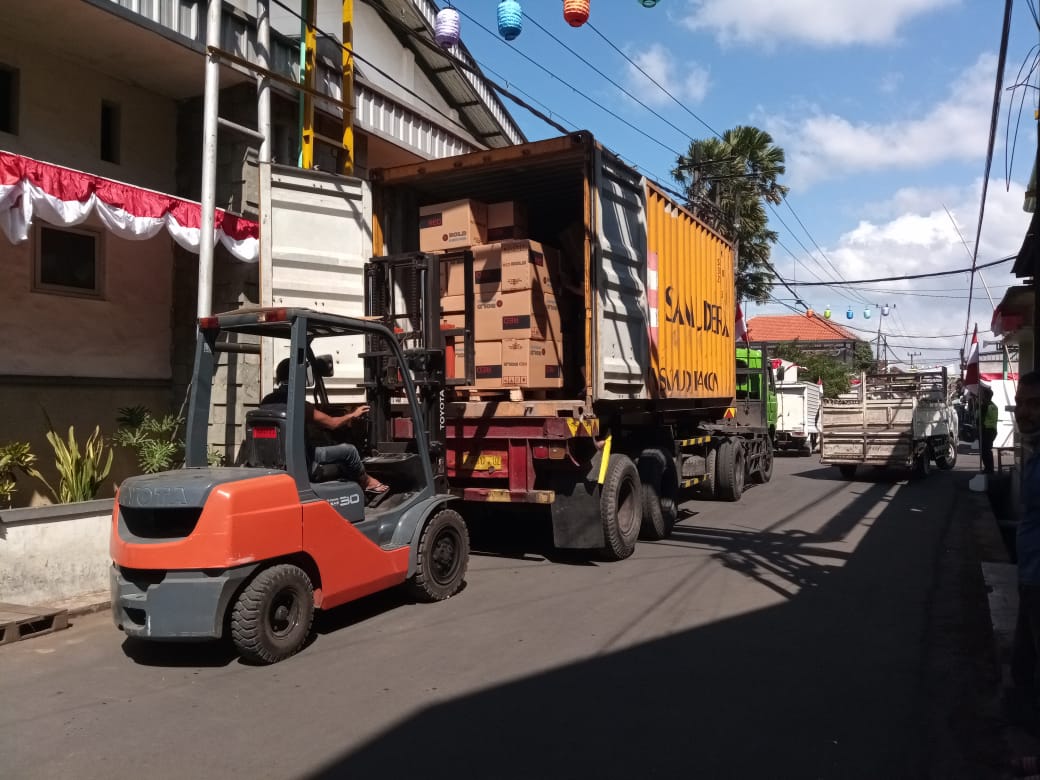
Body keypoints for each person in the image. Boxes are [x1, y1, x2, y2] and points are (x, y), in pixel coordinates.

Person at [261, 359, 388, 497]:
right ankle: (367, 482)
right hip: (304, 462)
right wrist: (352, 415)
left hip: (275, 461)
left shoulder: (266, 401)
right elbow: (332, 423)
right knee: (349, 451)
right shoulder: (299, 405)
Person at [1006, 372, 1040, 729]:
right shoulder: (1034, 453)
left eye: (1035, 404)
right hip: (1029, 574)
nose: (1024, 412)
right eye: (1021, 403)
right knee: (1023, 665)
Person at [981, 385, 999, 474]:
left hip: (987, 430)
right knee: (987, 450)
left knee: (985, 450)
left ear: (986, 396)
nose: (982, 396)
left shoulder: (986, 406)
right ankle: (989, 468)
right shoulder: (993, 405)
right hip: (992, 430)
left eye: (983, 395)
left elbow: (980, 419)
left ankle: (989, 469)